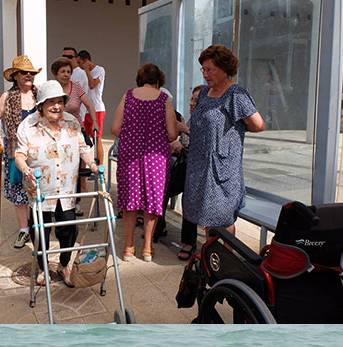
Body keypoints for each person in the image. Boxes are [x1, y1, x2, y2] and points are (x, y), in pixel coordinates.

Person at [15, 80, 99, 286]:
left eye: (59, 101)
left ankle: (64, 264)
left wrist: (93, 164)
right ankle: (43, 268)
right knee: (39, 230)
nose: (56, 106)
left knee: (68, 228)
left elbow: (83, 148)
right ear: (41, 104)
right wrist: (26, 170)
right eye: (50, 101)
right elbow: (19, 155)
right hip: (40, 188)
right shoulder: (28, 126)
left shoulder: (71, 122)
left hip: (67, 188)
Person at [183, 44, 265, 241]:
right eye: (203, 69)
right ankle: (212, 263)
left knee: (222, 219)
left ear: (224, 69)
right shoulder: (204, 93)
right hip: (199, 164)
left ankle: (223, 263)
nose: (205, 74)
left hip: (222, 168)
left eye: (210, 69)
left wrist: (230, 135)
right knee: (207, 217)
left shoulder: (236, 94)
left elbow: (258, 125)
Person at [110, 63, 178, 262]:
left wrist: (133, 133)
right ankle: (147, 248)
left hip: (130, 154)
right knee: (153, 200)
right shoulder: (164, 99)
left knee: (130, 199)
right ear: (158, 82)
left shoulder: (128, 96)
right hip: (156, 156)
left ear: (140, 80)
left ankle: (128, 247)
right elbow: (173, 134)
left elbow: (115, 128)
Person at [0, 55, 40, 247]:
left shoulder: (39, 94)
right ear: (15, 76)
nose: (29, 75)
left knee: (39, 188)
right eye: (24, 72)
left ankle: (38, 227)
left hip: (39, 150)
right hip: (15, 150)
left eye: (31, 73)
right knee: (19, 191)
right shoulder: (7, 97)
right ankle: (24, 230)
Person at [52, 56, 98, 217]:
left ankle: (75, 203)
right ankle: (54, 202)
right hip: (55, 133)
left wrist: (94, 123)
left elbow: (90, 105)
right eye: (62, 71)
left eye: (68, 71)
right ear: (55, 73)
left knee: (75, 169)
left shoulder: (76, 87)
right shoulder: (51, 88)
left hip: (74, 132)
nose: (66, 74)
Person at [176, 85, 205, 260]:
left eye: (197, 100)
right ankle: (158, 226)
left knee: (189, 194)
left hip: (201, 169)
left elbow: (204, 143)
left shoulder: (205, 120)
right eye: (192, 99)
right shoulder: (191, 118)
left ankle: (189, 241)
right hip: (187, 164)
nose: (192, 103)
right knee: (163, 185)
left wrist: (184, 131)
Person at [77, 50, 106, 165]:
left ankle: (100, 167)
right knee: (85, 140)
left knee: (97, 138)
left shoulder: (99, 70)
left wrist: (87, 70)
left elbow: (92, 85)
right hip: (86, 110)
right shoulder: (82, 72)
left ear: (86, 61)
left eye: (80, 63)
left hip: (97, 109)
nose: (79, 66)